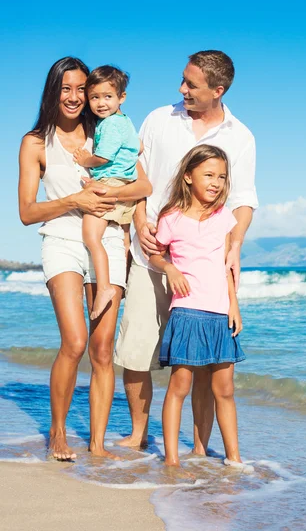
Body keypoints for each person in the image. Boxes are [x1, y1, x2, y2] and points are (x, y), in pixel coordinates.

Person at [114, 50, 258, 454]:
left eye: (191, 84)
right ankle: (140, 434)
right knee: (138, 347)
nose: (182, 89)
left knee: (201, 364)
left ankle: (199, 448)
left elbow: (244, 198)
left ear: (218, 90)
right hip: (151, 253)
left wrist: (235, 243)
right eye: (183, 80)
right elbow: (135, 175)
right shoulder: (160, 119)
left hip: (205, 266)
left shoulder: (240, 136)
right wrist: (139, 222)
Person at [18, 56, 152, 461]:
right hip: (61, 238)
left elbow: (142, 184)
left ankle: (96, 444)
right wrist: (74, 200)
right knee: (75, 342)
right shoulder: (36, 142)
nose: (75, 97)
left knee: (103, 348)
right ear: (53, 91)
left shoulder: (109, 130)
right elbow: (26, 212)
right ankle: (57, 432)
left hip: (109, 239)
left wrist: (109, 195)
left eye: (82, 89)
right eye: (67, 89)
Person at [149, 145, 245, 467]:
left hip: (219, 314)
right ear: (189, 176)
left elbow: (227, 264)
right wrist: (170, 269)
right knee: (180, 385)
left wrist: (234, 305)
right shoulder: (171, 217)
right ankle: (172, 461)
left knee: (225, 389)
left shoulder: (224, 217)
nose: (216, 182)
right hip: (187, 311)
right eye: (209, 175)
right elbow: (155, 253)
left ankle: (234, 459)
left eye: (221, 176)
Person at [73, 65, 142, 320]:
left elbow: (102, 157)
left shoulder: (111, 124)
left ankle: (104, 288)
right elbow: (139, 146)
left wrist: (85, 160)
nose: (101, 103)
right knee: (123, 237)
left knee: (91, 235)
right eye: (94, 97)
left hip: (112, 182)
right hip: (123, 181)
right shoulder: (124, 121)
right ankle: (122, 283)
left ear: (121, 97)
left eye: (107, 96)